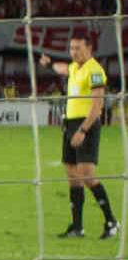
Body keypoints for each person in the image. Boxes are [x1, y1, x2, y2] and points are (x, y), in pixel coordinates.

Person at [40, 36, 118, 239]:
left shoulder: (95, 70)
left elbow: (97, 105)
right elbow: (63, 68)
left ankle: (111, 222)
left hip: (86, 125)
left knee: (87, 175)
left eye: (78, 48)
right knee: (73, 176)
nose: (74, 52)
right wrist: (49, 65)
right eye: (71, 48)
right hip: (70, 124)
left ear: (89, 48)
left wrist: (83, 130)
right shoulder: (75, 67)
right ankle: (77, 227)